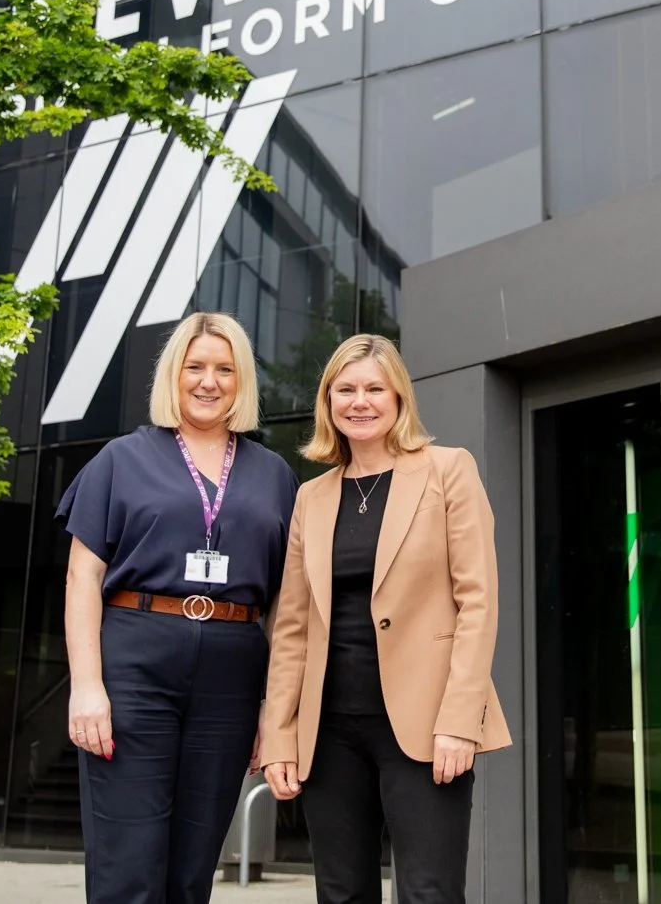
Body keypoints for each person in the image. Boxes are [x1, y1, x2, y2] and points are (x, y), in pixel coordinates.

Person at [57, 312, 299, 904]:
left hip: (231, 673)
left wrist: (273, 709)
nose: (209, 382)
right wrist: (87, 686)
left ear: (242, 381)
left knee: (192, 870)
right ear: (174, 374)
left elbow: (286, 605)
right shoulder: (120, 459)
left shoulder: (275, 476)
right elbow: (82, 577)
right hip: (136, 661)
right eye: (195, 367)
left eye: (225, 369)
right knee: (129, 865)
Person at [259, 334, 510, 904]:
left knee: (428, 892)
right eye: (345, 389)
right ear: (327, 401)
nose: (359, 402)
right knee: (341, 894)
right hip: (328, 732)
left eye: (375, 388)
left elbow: (478, 601)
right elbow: (292, 626)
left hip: (425, 725)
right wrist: (279, 735)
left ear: (399, 397)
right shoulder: (311, 498)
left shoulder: (448, 470)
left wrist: (460, 720)